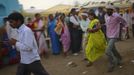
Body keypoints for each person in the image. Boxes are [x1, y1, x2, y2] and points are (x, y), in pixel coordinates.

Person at [105, 5, 127, 72]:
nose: (108, 11)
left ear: (112, 10)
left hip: (114, 35)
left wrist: (123, 28)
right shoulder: (106, 16)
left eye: (109, 10)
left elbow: (124, 22)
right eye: (107, 10)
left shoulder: (117, 16)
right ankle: (119, 59)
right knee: (113, 49)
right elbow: (107, 24)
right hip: (108, 35)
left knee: (107, 51)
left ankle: (112, 64)